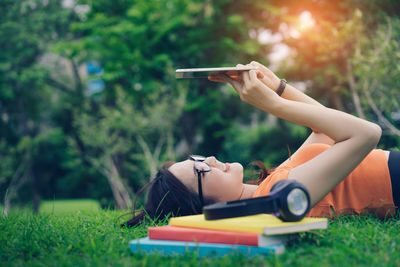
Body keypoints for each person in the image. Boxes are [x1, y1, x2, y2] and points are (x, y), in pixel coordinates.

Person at [122, 61, 399, 227]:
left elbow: (324, 129)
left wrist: (277, 87)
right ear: (205, 207)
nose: (211, 160)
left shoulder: (271, 186)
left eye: (199, 159)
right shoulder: (276, 198)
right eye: (201, 171)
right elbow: (366, 133)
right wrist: (274, 105)